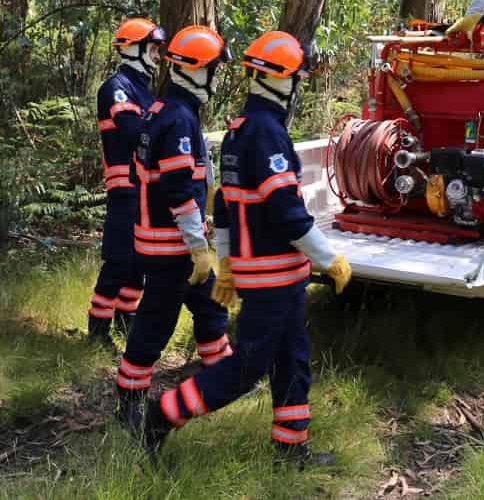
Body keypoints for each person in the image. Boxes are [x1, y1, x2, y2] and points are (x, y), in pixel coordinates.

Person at [139, 31, 352, 465]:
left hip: (274, 275)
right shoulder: (267, 133)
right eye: (296, 78)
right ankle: (164, 414)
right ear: (278, 79)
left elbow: (225, 205)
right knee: (248, 367)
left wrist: (228, 264)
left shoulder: (240, 131)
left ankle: (290, 446)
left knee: (293, 357)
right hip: (272, 277)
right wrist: (328, 258)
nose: (298, 86)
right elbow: (286, 211)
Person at [115, 25, 234, 431]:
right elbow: (179, 190)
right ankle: (129, 401)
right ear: (197, 70)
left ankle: (221, 377)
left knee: (210, 305)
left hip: (171, 242)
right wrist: (198, 247)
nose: (216, 79)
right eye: (214, 71)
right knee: (155, 324)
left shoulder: (166, 110)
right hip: (171, 249)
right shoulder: (178, 119)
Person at [88, 18, 165, 345]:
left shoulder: (144, 91)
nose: (157, 56)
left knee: (139, 264)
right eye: (153, 49)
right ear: (134, 49)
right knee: (119, 261)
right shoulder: (115, 87)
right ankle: (97, 332)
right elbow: (136, 133)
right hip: (125, 189)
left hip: (145, 189)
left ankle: (125, 322)